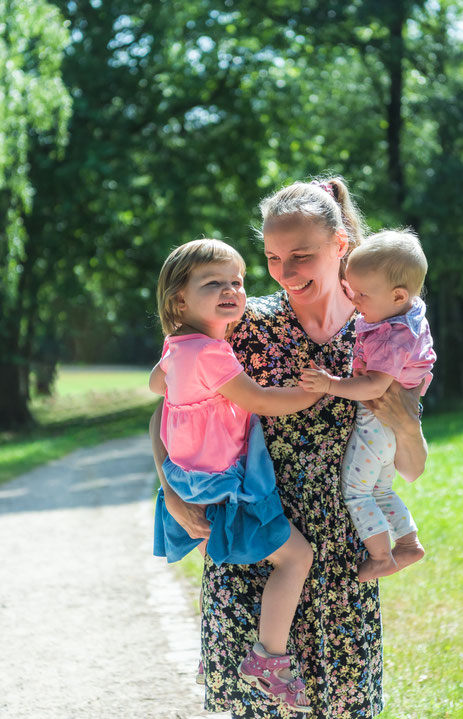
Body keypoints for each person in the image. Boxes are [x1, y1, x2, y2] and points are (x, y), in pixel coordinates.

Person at [149, 177, 428, 718]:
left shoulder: (382, 334)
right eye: (274, 258)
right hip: (257, 532)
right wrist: (171, 492)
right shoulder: (242, 323)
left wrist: (409, 425)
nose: (286, 272)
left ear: (340, 245)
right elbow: (169, 405)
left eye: (301, 255)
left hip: (346, 553)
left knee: (344, 705)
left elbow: (410, 469)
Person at [149, 238, 320, 713]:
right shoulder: (211, 353)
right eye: (213, 283)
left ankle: (219, 655)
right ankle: (269, 660)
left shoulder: (178, 348)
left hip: (192, 480)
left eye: (237, 282)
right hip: (225, 484)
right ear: (179, 299)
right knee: (295, 559)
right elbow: (260, 400)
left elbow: (156, 387)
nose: (231, 290)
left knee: (230, 566)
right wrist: (315, 395)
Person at [300, 229, 436, 583]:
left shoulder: (391, 335)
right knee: (381, 489)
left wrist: (331, 384)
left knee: (356, 492)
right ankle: (408, 542)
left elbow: (376, 384)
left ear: (397, 294)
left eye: (362, 294)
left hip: (376, 424)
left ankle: (381, 557)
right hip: (390, 425)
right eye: (350, 290)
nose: (355, 300)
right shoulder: (406, 312)